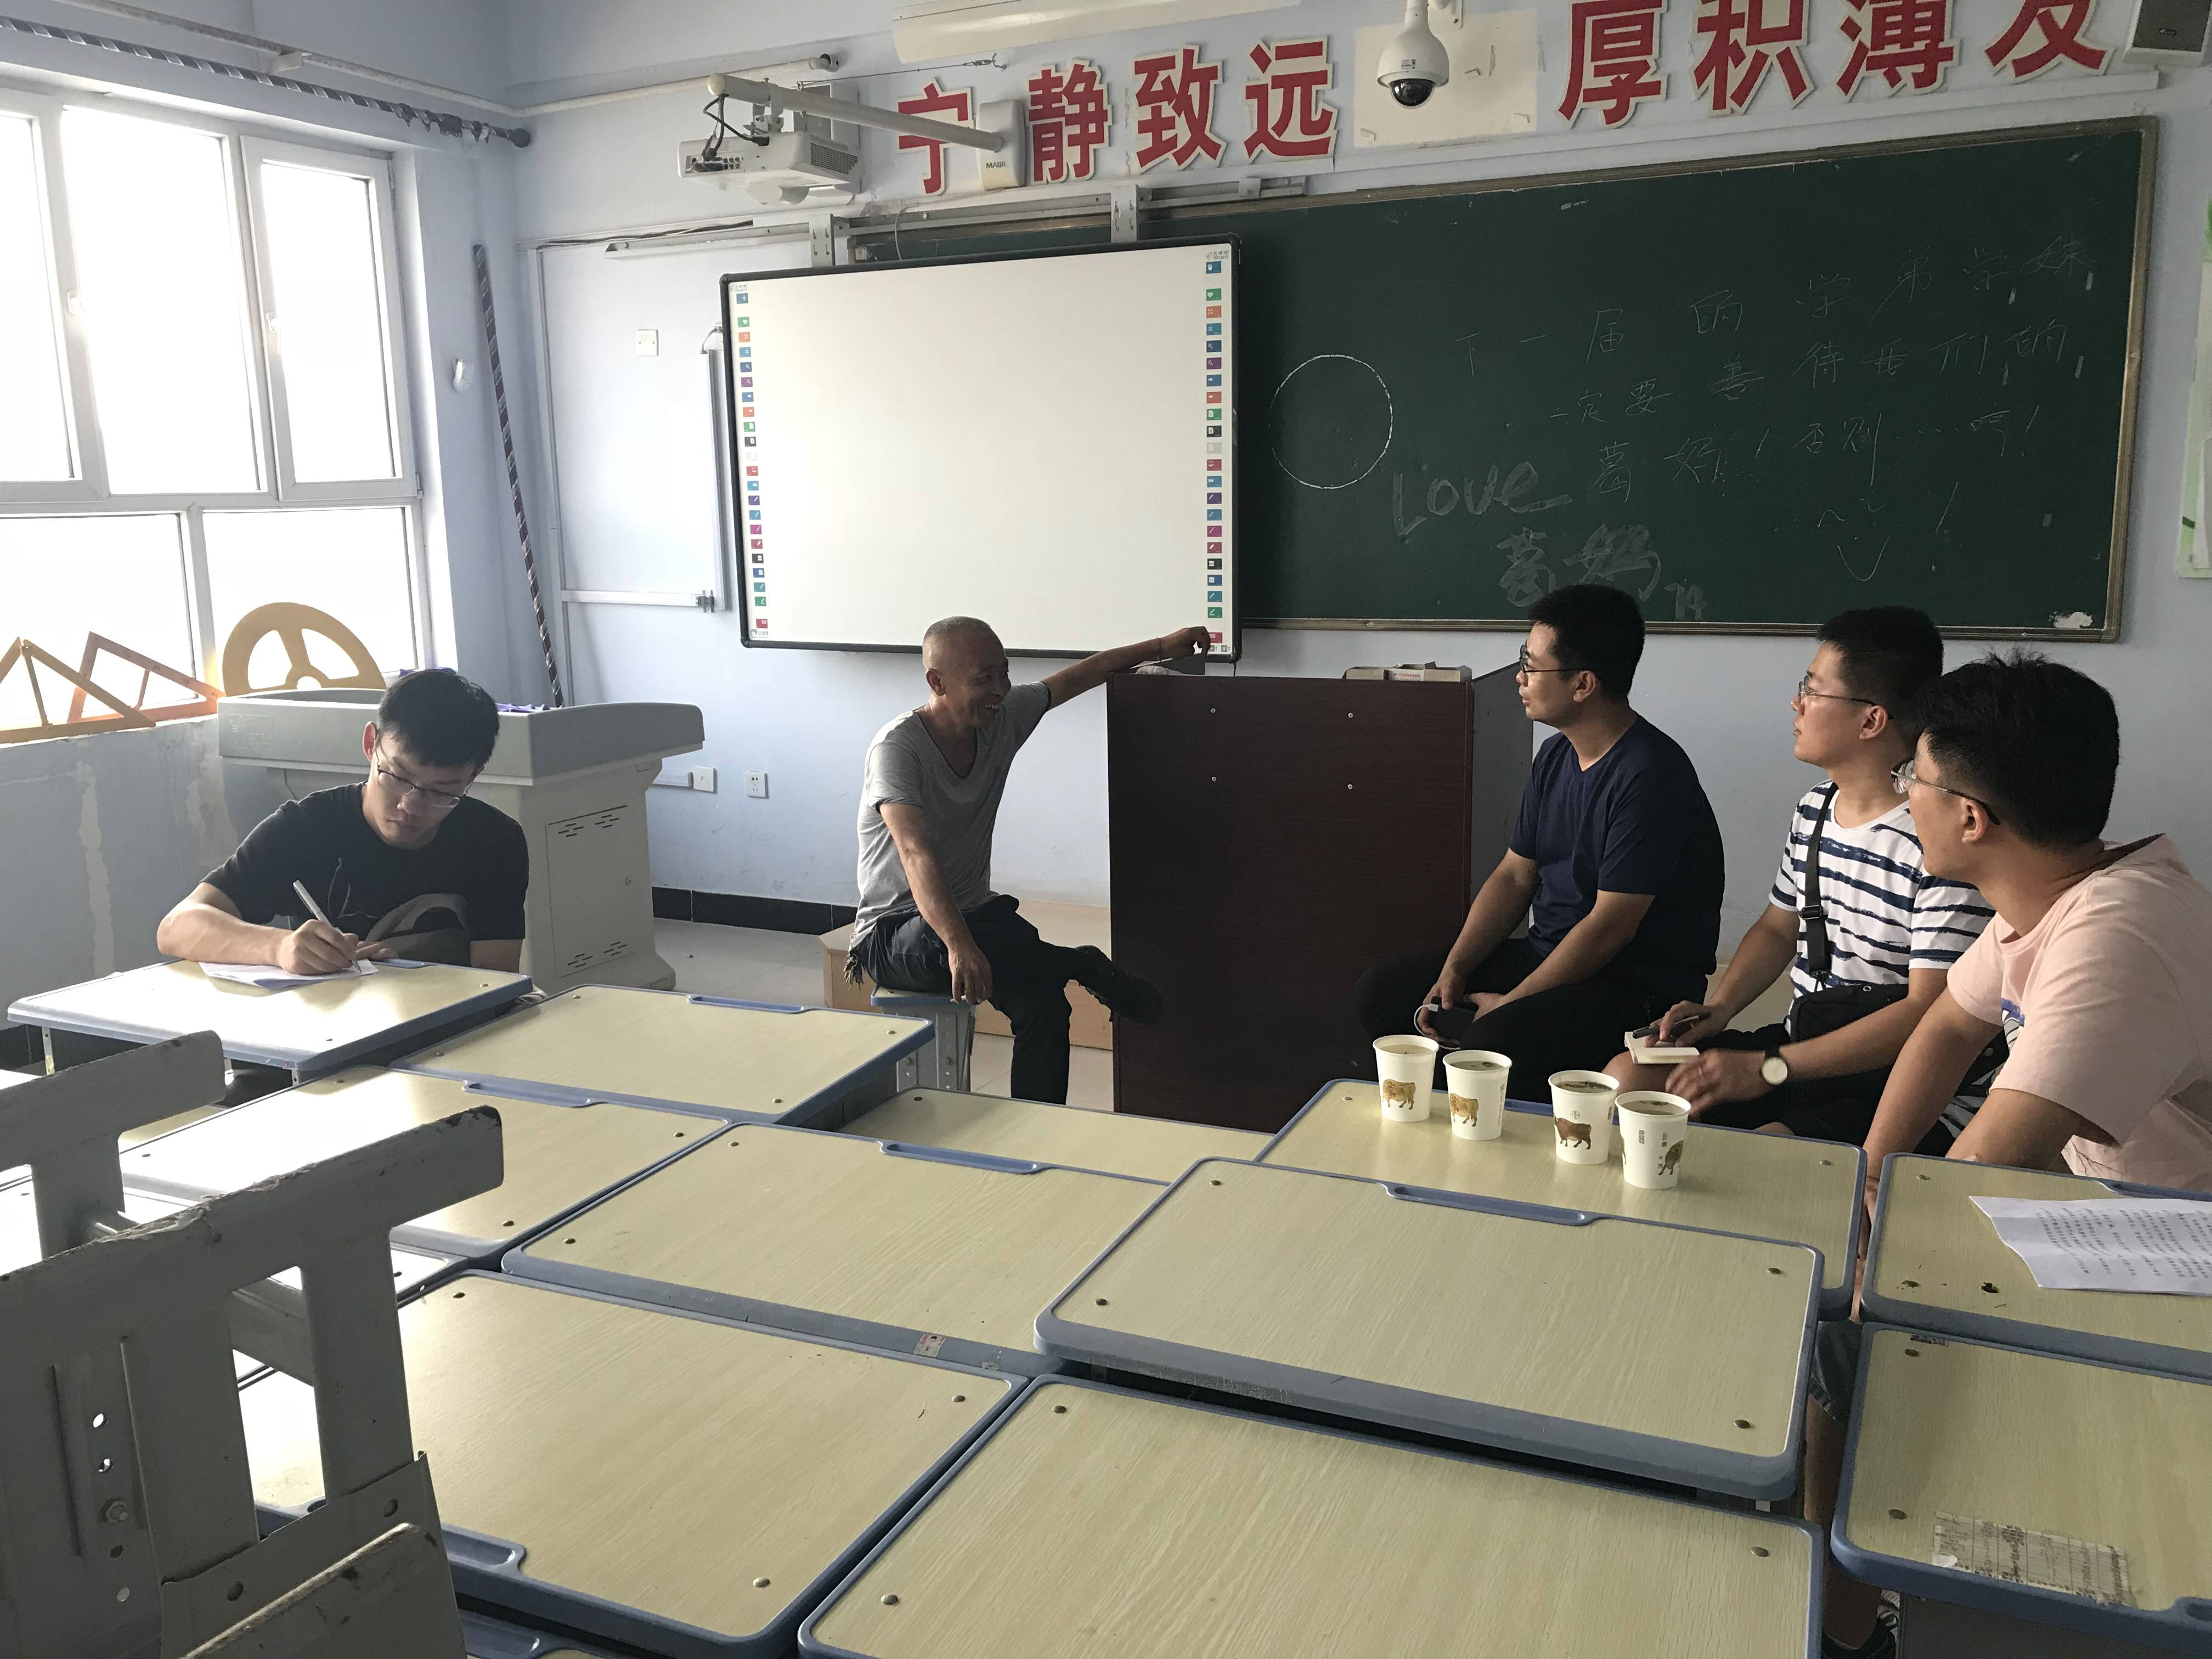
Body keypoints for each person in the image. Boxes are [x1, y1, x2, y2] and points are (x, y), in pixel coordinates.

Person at [1805, 652, 2212, 1659]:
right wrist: (1871, 1175)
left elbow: (1987, 1162)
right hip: (2120, 1219)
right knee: (1850, 1302)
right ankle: (1850, 1616)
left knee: (1847, 1348)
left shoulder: (2117, 935)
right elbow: (1948, 1024)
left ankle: (1848, 1629)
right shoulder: (2058, 891)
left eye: (1914, 778)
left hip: (2182, 1258)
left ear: (1971, 816)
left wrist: (1876, 1253)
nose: (1903, 796)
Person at [1604, 608, 1991, 1146]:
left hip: (1901, 1083)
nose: (1797, 703)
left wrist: (1769, 1068)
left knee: (1768, 1152)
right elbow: (1777, 927)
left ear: (1871, 720)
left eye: (1812, 689)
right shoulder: (1816, 808)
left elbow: (1928, 1014)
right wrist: (1720, 1010)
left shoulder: (1940, 840)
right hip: (1806, 1047)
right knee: (1627, 1078)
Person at [1353, 584, 1725, 1102]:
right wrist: (1455, 967)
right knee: (1386, 994)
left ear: (1583, 684)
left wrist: (1510, 1004)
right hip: (1547, 953)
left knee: (1492, 1041)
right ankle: (1435, 1125)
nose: (1519, 677)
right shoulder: (1555, 755)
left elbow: (1608, 927)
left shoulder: (1651, 775)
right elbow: (1514, 876)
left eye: (1530, 665)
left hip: (1633, 985)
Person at [847, 616, 1207, 1105]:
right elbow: (914, 851)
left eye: (1005, 672)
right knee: (962, 939)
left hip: (978, 916)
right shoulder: (898, 749)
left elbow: (1082, 674)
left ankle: (1038, 1125)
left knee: (1045, 1003)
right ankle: (1083, 965)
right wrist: (958, 944)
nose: (1000, 689)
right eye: (984, 678)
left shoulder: (1002, 718)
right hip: (897, 932)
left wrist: (1164, 644)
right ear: (937, 682)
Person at [157, 669, 525, 973]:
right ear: (371, 743)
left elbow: (494, 981)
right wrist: (279, 947)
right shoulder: (307, 830)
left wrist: (403, 977)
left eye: (441, 792)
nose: (410, 805)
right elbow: (177, 927)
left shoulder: (493, 842)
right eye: (396, 777)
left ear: (472, 777)